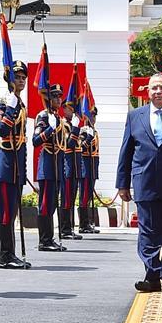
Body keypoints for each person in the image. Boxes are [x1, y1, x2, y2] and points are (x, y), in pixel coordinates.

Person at [117, 73, 162, 291]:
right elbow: (126, 151)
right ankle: (152, 273)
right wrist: (122, 183)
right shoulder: (135, 116)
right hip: (145, 182)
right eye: (154, 88)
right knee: (147, 230)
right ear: (147, 92)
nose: (158, 92)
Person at [0, 60, 30, 270]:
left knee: (12, 212)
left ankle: (10, 253)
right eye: (17, 77)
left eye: (23, 77)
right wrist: (11, 109)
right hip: (6, 165)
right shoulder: (1, 102)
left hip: (17, 166)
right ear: (9, 78)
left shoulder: (20, 104)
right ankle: (5, 255)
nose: (21, 81)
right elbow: (1, 130)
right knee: (5, 213)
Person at [33, 84, 66, 252]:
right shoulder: (43, 116)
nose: (59, 99)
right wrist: (49, 129)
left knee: (52, 204)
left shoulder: (57, 117)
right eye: (55, 96)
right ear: (48, 98)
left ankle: (49, 238)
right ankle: (44, 240)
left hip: (57, 166)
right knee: (45, 205)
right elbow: (36, 140)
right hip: (47, 165)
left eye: (60, 96)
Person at [59, 98, 83, 241]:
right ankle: (65, 229)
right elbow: (69, 144)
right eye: (69, 108)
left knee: (71, 199)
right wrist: (75, 128)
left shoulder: (71, 125)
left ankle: (70, 227)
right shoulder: (63, 124)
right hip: (67, 166)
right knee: (66, 200)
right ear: (63, 109)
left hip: (74, 167)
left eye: (72, 108)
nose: (72, 111)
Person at [79, 108, 100, 234]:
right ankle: (83, 224)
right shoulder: (83, 131)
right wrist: (88, 137)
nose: (93, 118)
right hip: (85, 166)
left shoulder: (94, 131)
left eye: (94, 116)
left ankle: (88, 222)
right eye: (90, 116)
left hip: (93, 166)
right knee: (85, 196)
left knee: (89, 195)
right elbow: (81, 146)